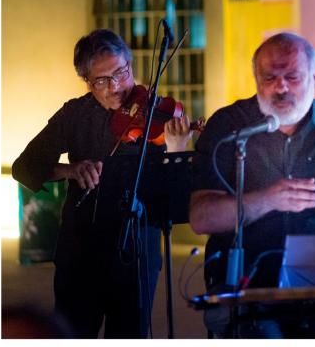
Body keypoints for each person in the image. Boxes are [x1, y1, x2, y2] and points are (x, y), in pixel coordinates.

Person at [189, 32, 315, 339]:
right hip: (247, 283)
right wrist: (268, 199)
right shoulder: (229, 125)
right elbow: (201, 218)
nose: (280, 87)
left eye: (292, 77)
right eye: (269, 77)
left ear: (314, 78)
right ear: (256, 79)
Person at [12, 29, 192, 338]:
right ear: (87, 81)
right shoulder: (74, 114)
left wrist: (176, 149)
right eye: (102, 80)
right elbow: (24, 167)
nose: (117, 86)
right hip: (81, 251)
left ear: (130, 65)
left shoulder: (155, 114)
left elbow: (172, 194)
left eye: (122, 72)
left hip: (138, 252)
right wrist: (70, 170)